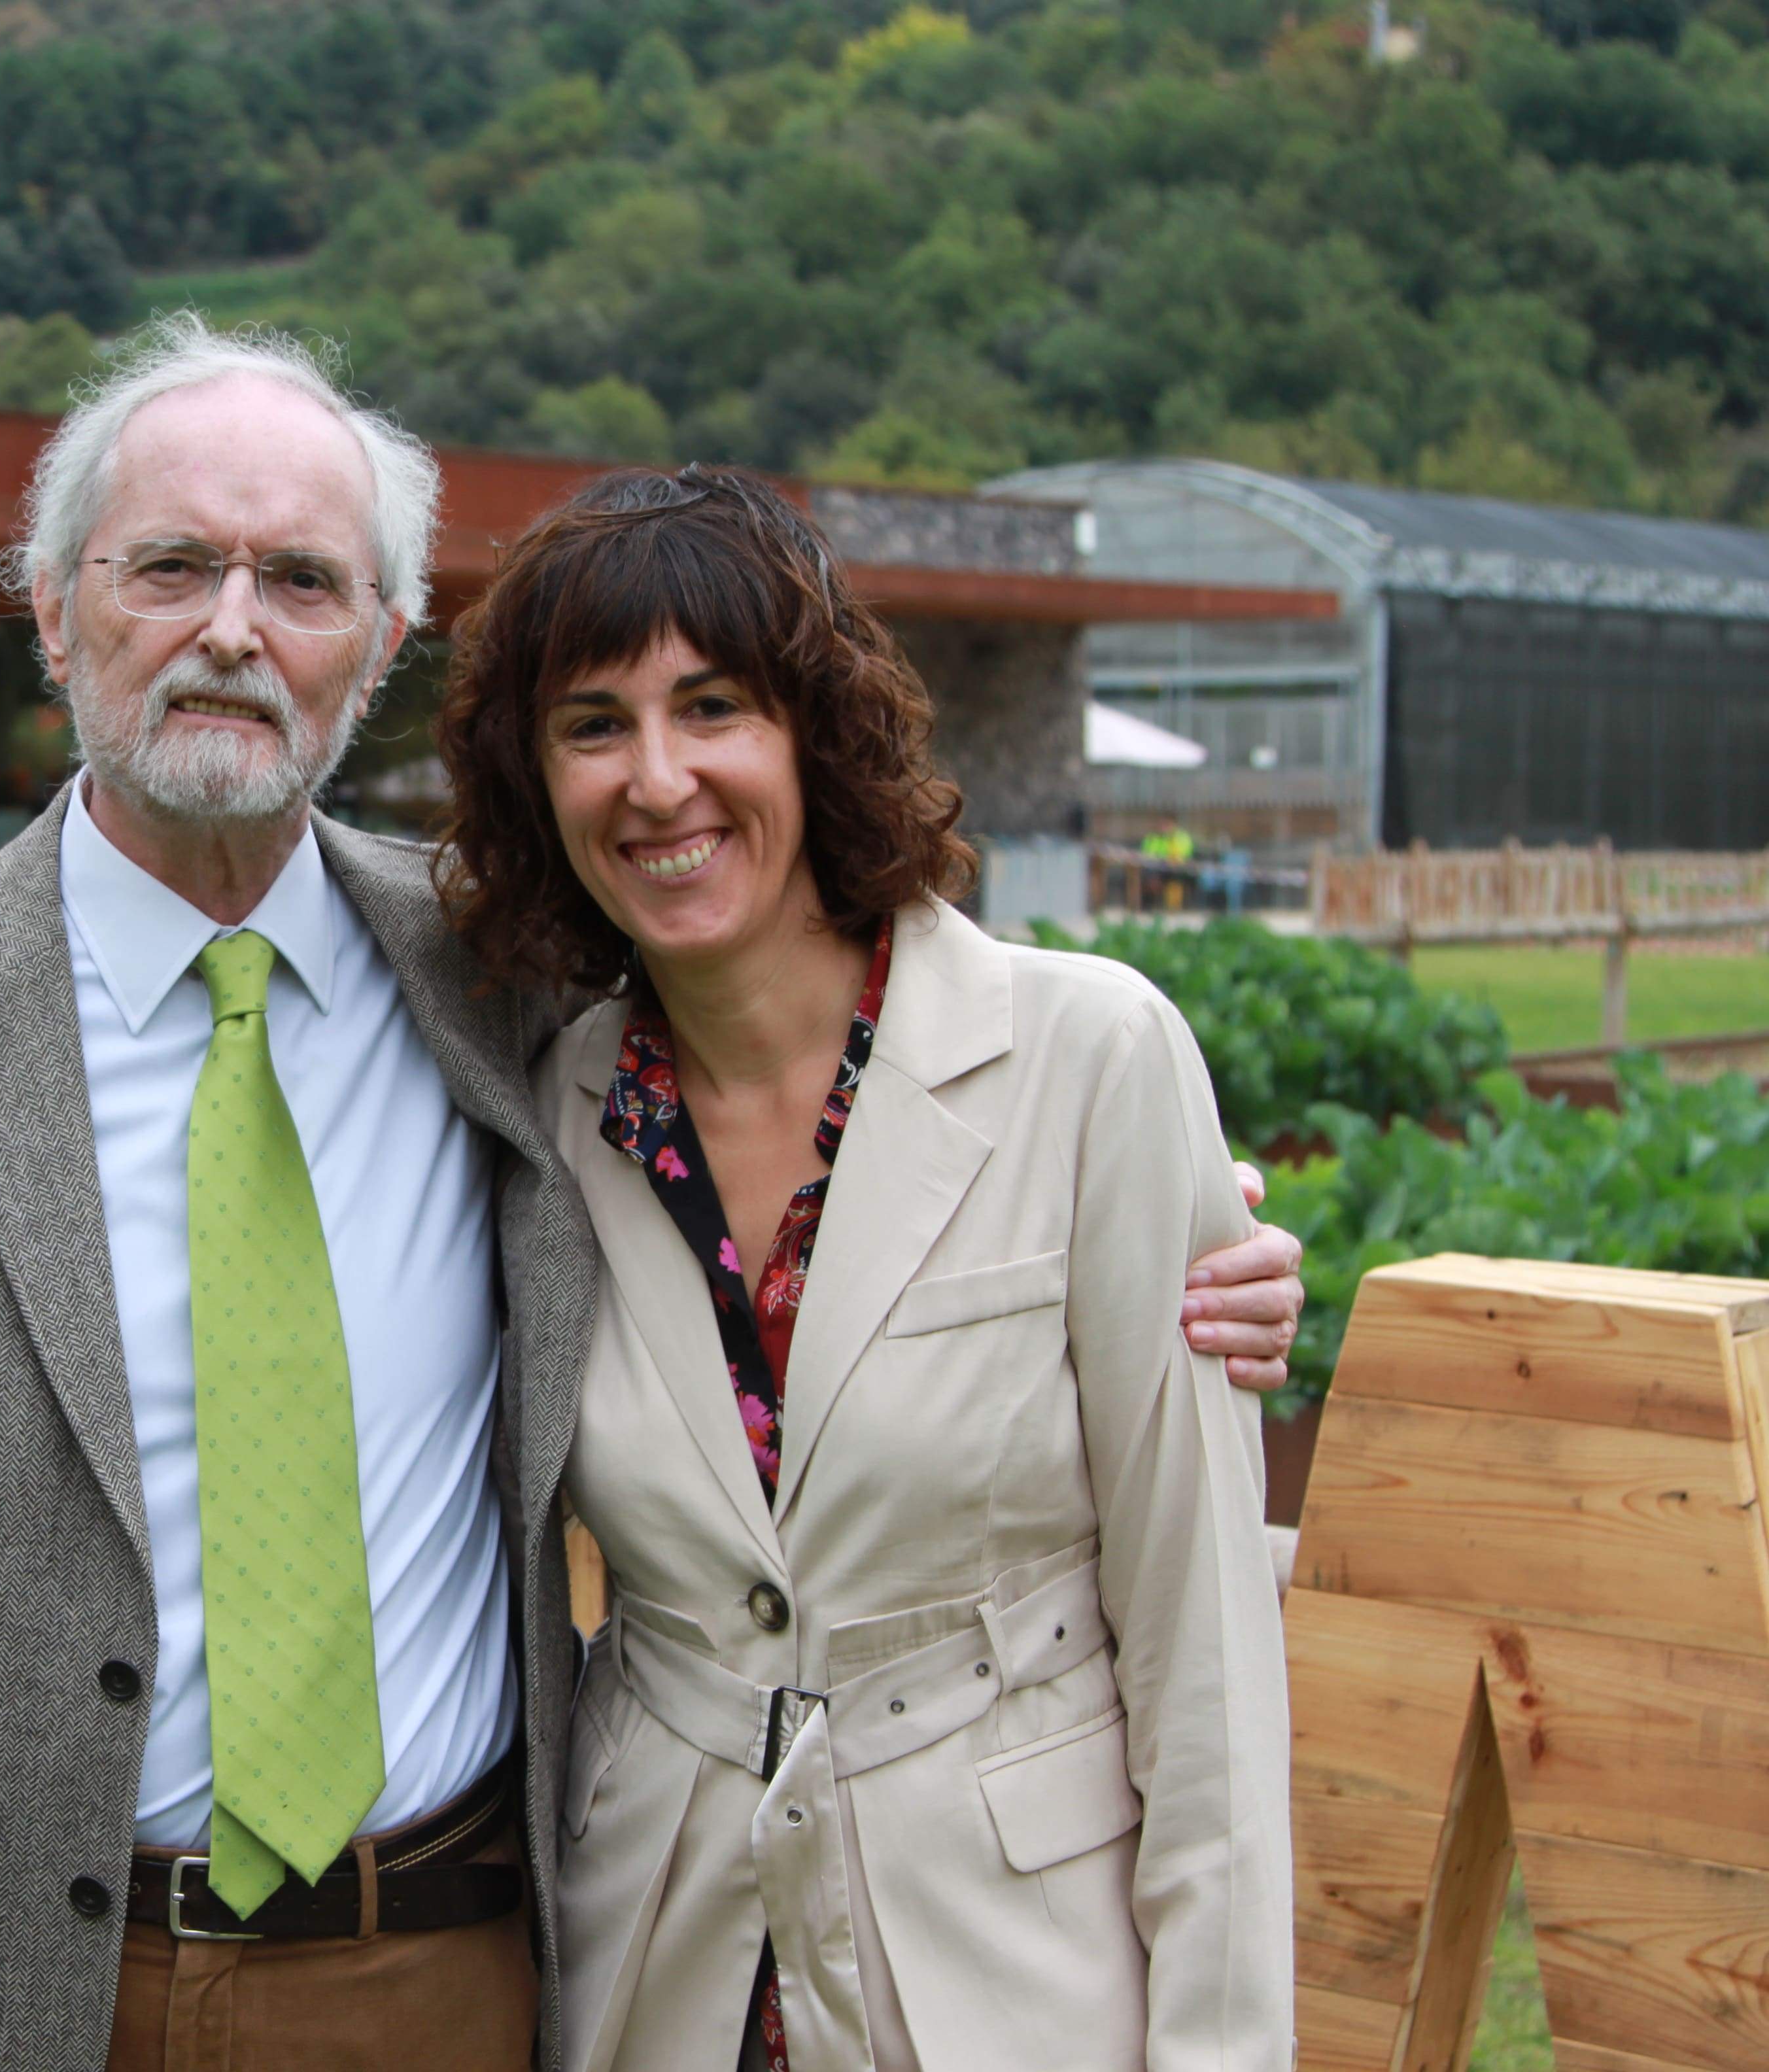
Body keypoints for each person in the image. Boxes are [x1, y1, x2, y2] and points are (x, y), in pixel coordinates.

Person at [0, 317, 1303, 2072]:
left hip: (443, 1981)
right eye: (172, 567)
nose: (232, 630)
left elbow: (874, 1130)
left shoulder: (500, 989)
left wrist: (1190, 1229)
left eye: (303, 582)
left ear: (383, 647)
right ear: (52, 603)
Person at [434, 464, 1292, 2072]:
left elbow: (1208, 1665)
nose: (660, 779)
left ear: (815, 735)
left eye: (714, 707)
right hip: (661, 1957)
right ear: (534, 778)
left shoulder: (1091, 1059)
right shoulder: (543, 1107)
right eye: (593, 725)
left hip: (1014, 1966)